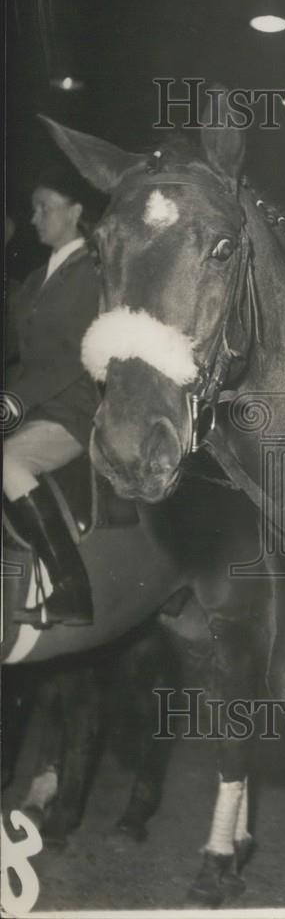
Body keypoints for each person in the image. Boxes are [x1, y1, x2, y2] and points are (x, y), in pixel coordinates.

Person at [4, 164, 102, 627]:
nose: (35, 217)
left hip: (72, 409)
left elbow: (73, 356)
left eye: (45, 207)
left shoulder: (92, 272)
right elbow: (14, 351)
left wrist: (14, 402)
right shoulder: (33, 280)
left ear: (76, 211)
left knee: (9, 461)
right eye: (33, 208)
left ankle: (71, 588)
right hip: (31, 404)